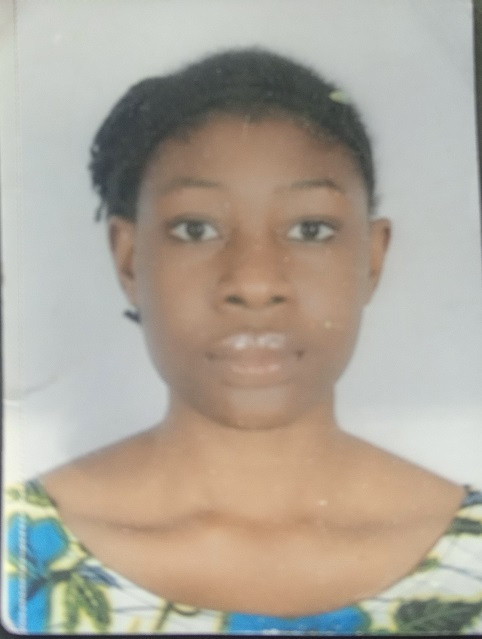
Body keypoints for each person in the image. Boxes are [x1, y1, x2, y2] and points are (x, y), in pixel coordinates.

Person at [4, 49, 482, 635]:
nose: (255, 284)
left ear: (372, 258)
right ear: (129, 259)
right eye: (195, 229)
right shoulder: (18, 554)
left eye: (311, 229)